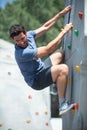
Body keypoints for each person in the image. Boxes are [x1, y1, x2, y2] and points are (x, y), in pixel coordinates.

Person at [9, 5, 75, 115]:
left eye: (22, 38)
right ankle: (62, 105)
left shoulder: (29, 35)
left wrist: (62, 13)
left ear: (25, 33)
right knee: (63, 69)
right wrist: (64, 32)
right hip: (36, 81)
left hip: (42, 68)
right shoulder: (22, 54)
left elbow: (45, 26)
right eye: (17, 41)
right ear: (14, 41)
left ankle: (55, 85)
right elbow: (49, 49)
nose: (21, 42)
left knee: (60, 53)